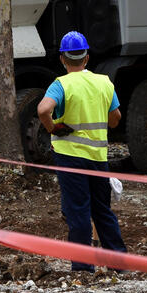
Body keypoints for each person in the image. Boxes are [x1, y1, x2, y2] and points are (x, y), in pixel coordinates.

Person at [37, 31, 127, 272]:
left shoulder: (62, 84)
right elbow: (115, 119)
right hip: (98, 158)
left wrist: (53, 127)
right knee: (102, 211)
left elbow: (43, 109)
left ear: (63, 59)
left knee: (78, 212)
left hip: (70, 158)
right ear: (86, 58)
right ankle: (119, 263)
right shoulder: (104, 83)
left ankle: (83, 266)